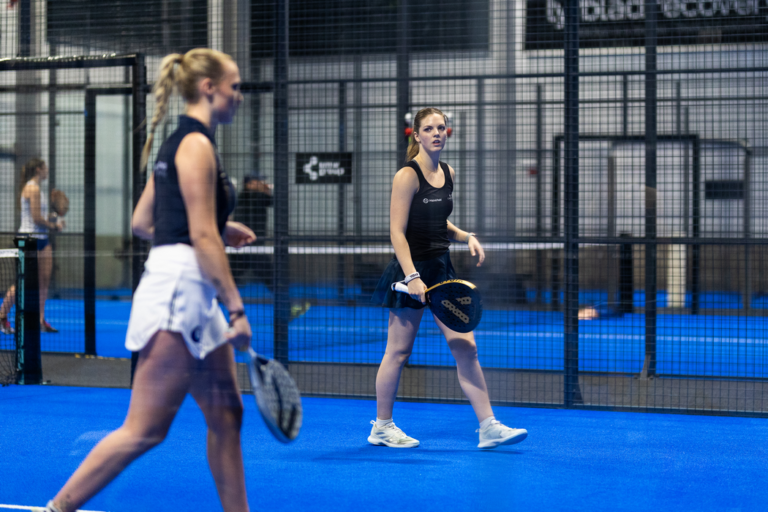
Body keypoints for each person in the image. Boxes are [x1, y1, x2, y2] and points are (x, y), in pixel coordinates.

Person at [39, 48, 256, 512]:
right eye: (234, 87)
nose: (240, 96)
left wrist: (217, 227)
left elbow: (142, 222)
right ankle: (56, 509)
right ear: (208, 88)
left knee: (227, 414)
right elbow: (200, 235)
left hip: (192, 290)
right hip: (178, 291)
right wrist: (236, 307)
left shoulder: (179, 142)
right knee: (145, 430)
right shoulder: (195, 145)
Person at [369, 107, 528, 450]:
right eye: (429, 129)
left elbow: (438, 222)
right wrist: (412, 276)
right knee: (398, 351)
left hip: (442, 271)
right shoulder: (407, 176)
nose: (437, 133)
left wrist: (466, 236)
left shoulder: (448, 172)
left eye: (441, 127)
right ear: (416, 135)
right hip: (410, 270)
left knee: (466, 347)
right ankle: (382, 427)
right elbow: (397, 232)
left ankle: (488, 426)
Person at [0, 159, 66, 334]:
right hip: (29, 241)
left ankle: (40, 320)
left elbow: (42, 217)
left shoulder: (40, 190)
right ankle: (2, 316)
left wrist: (55, 218)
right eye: (45, 168)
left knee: (44, 281)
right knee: (23, 282)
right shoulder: (32, 189)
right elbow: (36, 219)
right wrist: (55, 226)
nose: (47, 170)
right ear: (38, 169)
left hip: (43, 240)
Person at [232, 173, 273, 286]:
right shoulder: (254, 196)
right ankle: (282, 295)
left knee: (233, 273)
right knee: (271, 275)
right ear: (249, 184)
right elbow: (271, 200)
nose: (261, 183)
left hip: (243, 242)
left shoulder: (242, 196)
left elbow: (269, 201)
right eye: (258, 181)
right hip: (252, 242)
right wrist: (267, 190)